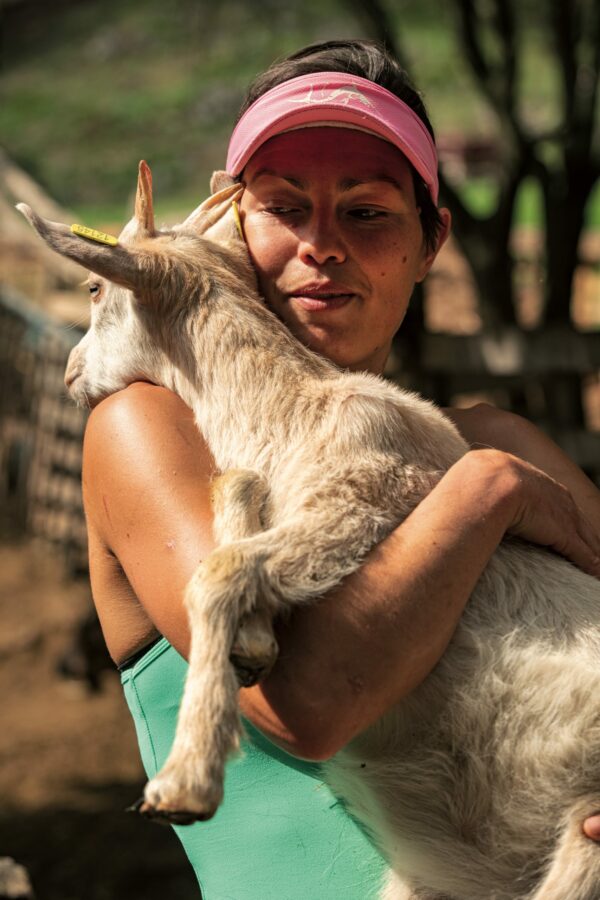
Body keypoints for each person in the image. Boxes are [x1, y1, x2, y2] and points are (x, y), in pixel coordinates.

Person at [82, 40, 600, 898]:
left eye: (367, 213)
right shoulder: (147, 429)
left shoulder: (494, 435)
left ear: (431, 241)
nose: (321, 245)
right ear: (229, 222)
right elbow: (305, 706)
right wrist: (485, 492)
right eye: (284, 207)